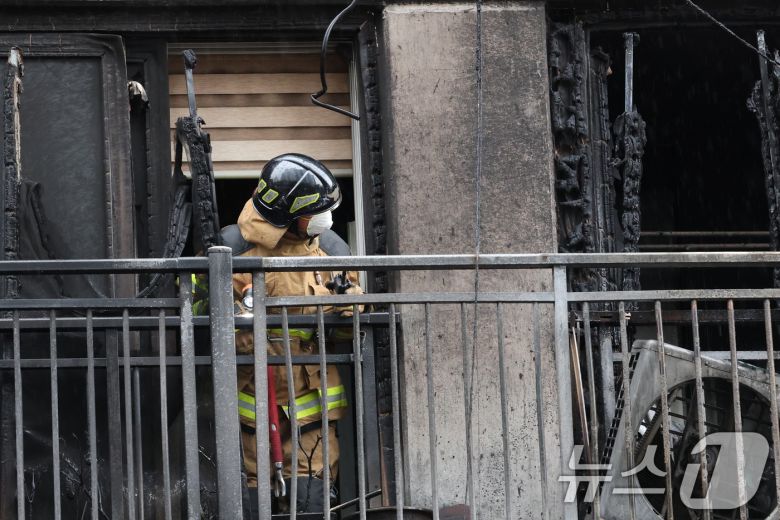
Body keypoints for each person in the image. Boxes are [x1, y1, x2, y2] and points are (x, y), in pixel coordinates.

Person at [226, 153, 362, 514]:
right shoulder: (231, 250)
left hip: (312, 405)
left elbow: (350, 325)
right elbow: (206, 323)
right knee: (254, 498)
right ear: (287, 214)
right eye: (314, 212)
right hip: (256, 405)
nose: (324, 218)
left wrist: (349, 309)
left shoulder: (331, 250)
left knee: (312, 499)